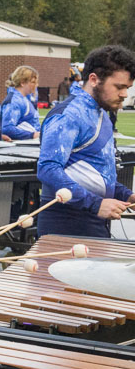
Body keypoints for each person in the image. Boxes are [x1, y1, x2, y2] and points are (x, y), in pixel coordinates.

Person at [37, 45, 135, 239]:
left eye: (128, 88)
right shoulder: (68, 115)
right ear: (94, 79)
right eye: (119, 87)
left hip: (92, 219)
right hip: (65, 222)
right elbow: (48, 168)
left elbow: (96, 175)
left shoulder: (100, 113)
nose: (125, 94)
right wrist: (95, 204)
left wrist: (126, 195)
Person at [1, 66, 40, 140]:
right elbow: (7, 128)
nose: (36, 85)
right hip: (22, 146)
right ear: (22, 83)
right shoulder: (14, 101)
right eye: (33, 82)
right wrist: (32, 135)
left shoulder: (23, 98)